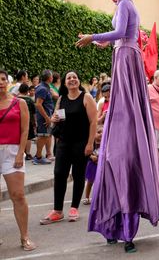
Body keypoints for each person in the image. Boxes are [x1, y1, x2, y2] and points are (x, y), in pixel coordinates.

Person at [77, 0, 159, 253]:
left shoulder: (125, 4)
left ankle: (123, 228)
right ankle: (119, 228)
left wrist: (94, 38)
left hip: (127, 59)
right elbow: (124, 35)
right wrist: (106, 44)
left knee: (127, 108)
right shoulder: (128, 5)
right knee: (124, 112)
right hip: (125, 55)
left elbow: (120, 33)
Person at [40, 71, 97, 224]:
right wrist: (53, 118)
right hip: (64, 143)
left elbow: (93, 122)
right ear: (65, 82)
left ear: (79, 81)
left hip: (81, 143)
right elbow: (56, 121)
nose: (72, 80)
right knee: (59, 174)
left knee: (78, 175)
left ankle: (74, 208)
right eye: (69, 78)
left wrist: (90, 143)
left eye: (75, 77)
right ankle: (57, 210)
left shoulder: (86, 97)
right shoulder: (61, 99)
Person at [0, 69, 36, 251]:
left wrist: (21, 153)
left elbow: (25, 129)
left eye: (3, 79)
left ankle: (25, 237)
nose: (0, 82)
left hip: (13, 151)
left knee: (18, 196)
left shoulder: (19, 103)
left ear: (8, 81)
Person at [33, 69, 54, 165]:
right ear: (50, 77)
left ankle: (39, 156)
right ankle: (38, 157)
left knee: (45, 136)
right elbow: (38, 104)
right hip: (44, 117)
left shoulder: (44, 87)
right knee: (43, 136)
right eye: (52, 76)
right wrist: (46, 117)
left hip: (45, 116)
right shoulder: (43, 88)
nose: (52, 77)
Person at [83, 126, 103, 205]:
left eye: (102, 133)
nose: (101, 134)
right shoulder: (91, 143)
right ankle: (87, 197)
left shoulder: (104, 144)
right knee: (90, 182)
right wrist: (91, 156)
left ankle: (98, 197)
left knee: (99, 183)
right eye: (98, 132)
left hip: (100, 166)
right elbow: (86, 153)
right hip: (91, 165)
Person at [18, 84, 36, 160]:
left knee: (19, 135)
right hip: (28, 120)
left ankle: (20, 151)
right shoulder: (29, 100)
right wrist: (35, 123)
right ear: (27, 91)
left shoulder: (15, 99)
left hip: (18, 120)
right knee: (29, 137)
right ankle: (27, 153)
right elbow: (34, 113)